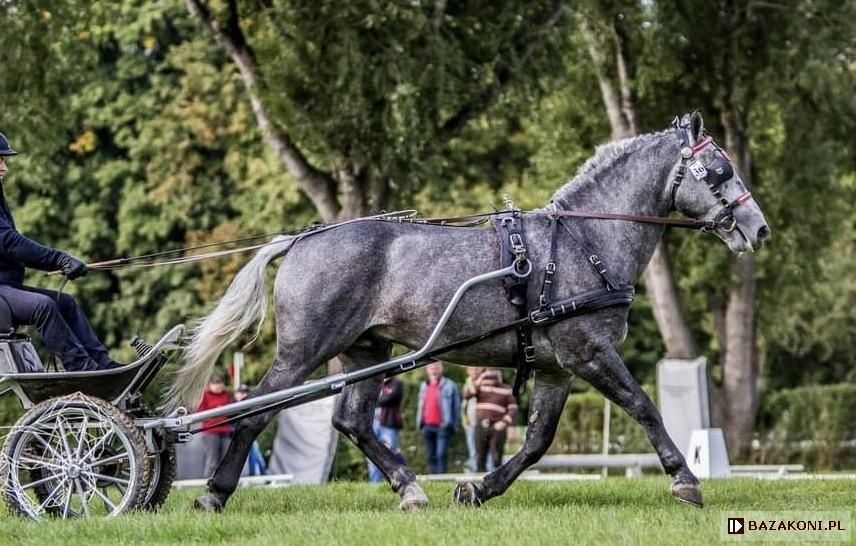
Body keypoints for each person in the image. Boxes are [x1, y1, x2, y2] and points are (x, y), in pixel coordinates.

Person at [0, 131, 120, 371]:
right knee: (43, 305)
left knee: (64, 302)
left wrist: (59, 262)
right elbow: (10, 243)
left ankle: (103, 365)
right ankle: (83, 369)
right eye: (0, 160)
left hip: (6, 287)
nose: (5, 168)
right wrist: (60, 259)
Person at [464, 367, 517, 473]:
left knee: (497, 458)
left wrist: (504, 422)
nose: (492, 375)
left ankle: (498, 483)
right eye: (489, 372)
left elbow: (513, 409)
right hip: (480, 426)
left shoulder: (507, 389)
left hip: (497, 427)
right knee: (479, 458)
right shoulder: (480, 387)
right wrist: (480, 379)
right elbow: (467, 395)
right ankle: (480, 485)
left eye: (495, 372)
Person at [416, 362, 461, 474]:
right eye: (431, 367)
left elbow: (456, 406)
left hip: (443, 426)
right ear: (427, 370)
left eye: (436, 367)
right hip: (427, 426)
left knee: (441, 454)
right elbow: (421, 406)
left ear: (441, 369)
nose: (434, 370)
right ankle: (433, 479)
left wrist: (453, 424)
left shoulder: (449, 385)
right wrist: (420, 423)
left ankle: (441, 478)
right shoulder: (423, 386)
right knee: (430, 455)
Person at [367, 376, 404, 482]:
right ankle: (374, 483)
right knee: (372, 453)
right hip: (372, 423)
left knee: (391, 453)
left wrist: (376, 400)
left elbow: (390, 398)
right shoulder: (373, 383)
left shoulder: (396, 383)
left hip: (389, 424)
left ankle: (397, 480)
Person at [196, 375, 234, 477]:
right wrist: (215, 411)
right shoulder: (205, 395)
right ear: (210, 385)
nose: (218, 386)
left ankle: (223, 481)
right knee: (212, 460)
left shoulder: (226, 394)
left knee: (225, 459)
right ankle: (207, 481)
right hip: (210, 431)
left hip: (225, 430)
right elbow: (200, 412)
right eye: (215, 383)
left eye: (219, 383)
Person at [234, 384, 267, 476]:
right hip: (235, 436)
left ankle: (261, 475)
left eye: (245, 392)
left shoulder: (251, 405)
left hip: (249, 435)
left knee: (255, 453)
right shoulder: (231, 406)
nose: (243, 395)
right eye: (241, 392)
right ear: (236, 394)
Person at [461, 366, 484, 472]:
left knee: (482, 450)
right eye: (471, 369)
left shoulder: (483, 382)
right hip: (470, 422)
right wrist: (464, 421)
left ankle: (485, 471)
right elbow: (464, 405)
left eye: (476, 369)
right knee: (472, 450)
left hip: (480, 422)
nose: (474, 371)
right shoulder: (467, 383)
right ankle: (474, 472)